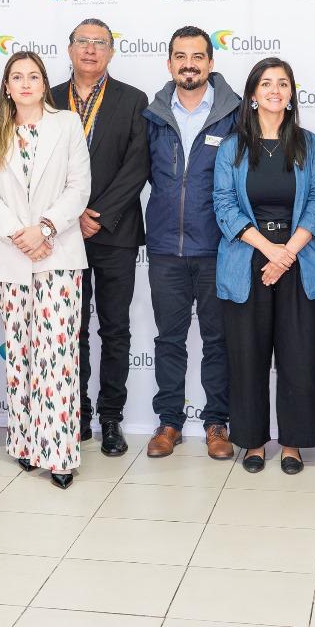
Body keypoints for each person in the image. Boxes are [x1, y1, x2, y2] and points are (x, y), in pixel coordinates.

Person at [0, 51, 91, 489]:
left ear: (45, 84)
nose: (25, 83)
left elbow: (79, 186)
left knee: (57, 358)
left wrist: (44, 228)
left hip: (57, 255)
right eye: (17, 77)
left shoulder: (66, 124)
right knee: (21, 355)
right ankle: (25, 443)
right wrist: (17, 234)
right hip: (11, 259)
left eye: (34, 76)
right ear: (6, 86)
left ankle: (59, 452)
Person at [213, 58, 315, 475]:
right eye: (267, 83)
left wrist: (288, 253)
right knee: (248, 356)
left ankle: (293, 442)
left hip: (299, 260)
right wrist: (269, 250)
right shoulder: (233, 146)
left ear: (292, 94)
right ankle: (253, 440)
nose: (275, 90)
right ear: (252, 94)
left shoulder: (309, 143)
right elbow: (224, 206)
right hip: (248, 258)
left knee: (298, 355)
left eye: (283, 83)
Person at [49, 18, 149, 457]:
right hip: (61, 235)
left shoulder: (131, 100)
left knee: (115, 329)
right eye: (82, 42)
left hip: (115, 234)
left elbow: (137, 166)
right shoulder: (47, 99)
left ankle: (111, 419)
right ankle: (77, 414)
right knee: (70, 330)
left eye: (100, 44)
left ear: (111, 52)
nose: (90, 50)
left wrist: (99, 215)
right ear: (69, 49)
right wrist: (70, 217)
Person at [140, 25, 239, 460]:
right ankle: (168, 423)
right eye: (180, 56)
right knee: (169, 340)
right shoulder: (152, 116)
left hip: (219, 249)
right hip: (164, 248)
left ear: (210, 63)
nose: (189, 64)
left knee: (219, 341)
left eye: (197, 56)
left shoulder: (235, 116)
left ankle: (217, 422)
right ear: (169, 64)